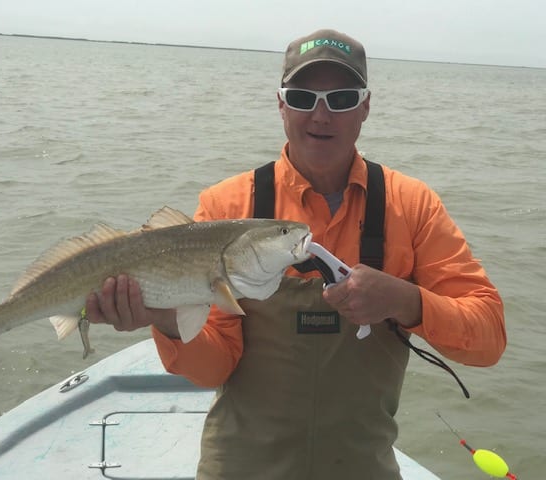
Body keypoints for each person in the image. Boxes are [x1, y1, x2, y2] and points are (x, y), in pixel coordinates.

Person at [86, 28, 506, 479]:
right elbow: (213, 369)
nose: (321, 115)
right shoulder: (227, 206)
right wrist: (166, 320)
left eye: (341, 98)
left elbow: (488, 339)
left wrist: (406, 301)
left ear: (365, 106)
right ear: (281, 104)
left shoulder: (413, 206)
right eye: (303, 97)